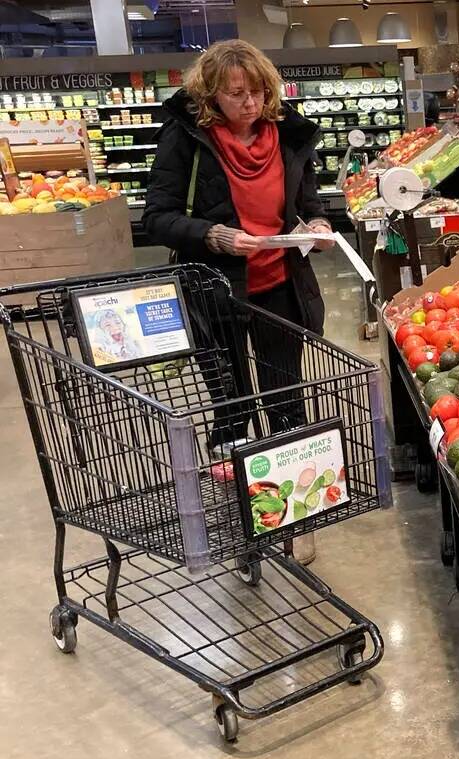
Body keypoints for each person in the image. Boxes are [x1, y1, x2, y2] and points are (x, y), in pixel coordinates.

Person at [143, 39, 328, 565]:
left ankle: (293, 514)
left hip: (281, 287)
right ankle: (238, 515)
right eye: (236, 94)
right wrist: (215, 236)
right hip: (216, 292)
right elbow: (157, 217)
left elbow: (307, 204)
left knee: (286, 400)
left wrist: (314, 225)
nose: (250, 104)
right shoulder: (186, 140)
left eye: (259, 92)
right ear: (211, 96)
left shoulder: (289, 135)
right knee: (231, 404)